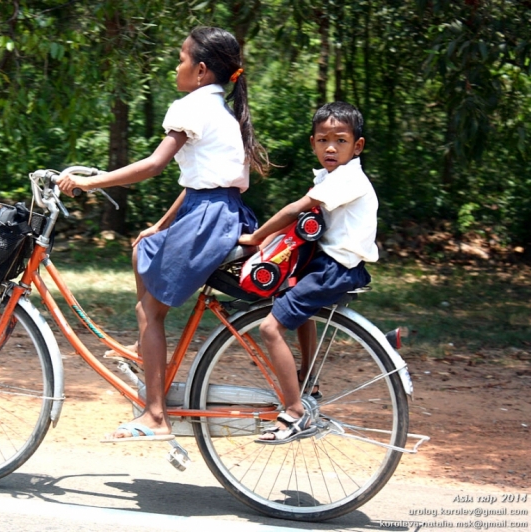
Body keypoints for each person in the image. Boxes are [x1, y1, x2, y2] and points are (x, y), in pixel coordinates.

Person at [58, 26, 266, 442]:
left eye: (182, 58)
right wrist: (159, 225)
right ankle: (146, 353)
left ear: (202, 70)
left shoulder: (191, 107)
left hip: (207, 218)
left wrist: (90, 182)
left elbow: (154, 165)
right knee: (145, 247)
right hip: (220, 212)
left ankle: (155, 417)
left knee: (149, 312)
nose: (177, 65)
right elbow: (202, 184)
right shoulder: (224, 113)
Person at [238, 101, 378, 444]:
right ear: (312, 142)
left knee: (271, 327)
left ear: (357, 146)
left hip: (336, 268)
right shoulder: (333, 176)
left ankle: (294, 412)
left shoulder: (348, 178)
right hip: (328, 263)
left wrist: (256, 237)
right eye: (322, 140)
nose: (330, 147)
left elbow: (294, 210)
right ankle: (308, 380)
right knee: (299, 310)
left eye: (340, 140)